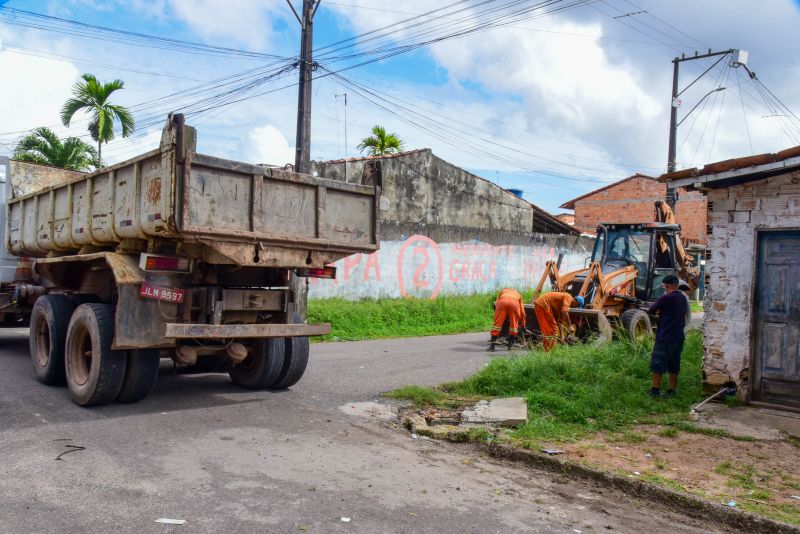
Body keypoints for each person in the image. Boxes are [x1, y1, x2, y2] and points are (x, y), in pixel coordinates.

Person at [647, 274, 689, 398]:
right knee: (674, 363)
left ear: (668, 285)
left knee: (658, 362)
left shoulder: (665, 298)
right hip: (678, 336)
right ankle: (672, 390)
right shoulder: (683, 298)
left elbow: (651, 310)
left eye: (664, 285)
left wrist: (661, 310)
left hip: (665, 336)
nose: (663, 288)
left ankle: (655, 390)